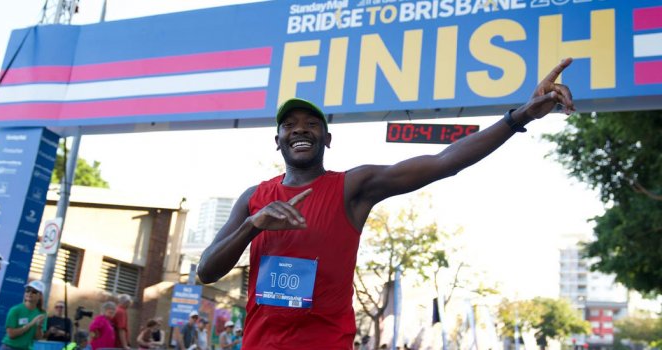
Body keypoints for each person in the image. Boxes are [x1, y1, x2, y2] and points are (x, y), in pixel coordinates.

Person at [197, 59, 576, 349]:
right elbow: (206, 272)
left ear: (327, 139)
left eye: (312, 124)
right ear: (277, 140)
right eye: (289, 124)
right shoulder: (253, 198)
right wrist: (253, 225)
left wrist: (521, 116)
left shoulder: (352, 187)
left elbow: (444, 162)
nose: (300, 129)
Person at [0, 280, 47, 350]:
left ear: (40, 296)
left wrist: (39, 326)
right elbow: (11, 334)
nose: (30, 293)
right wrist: (31, 324)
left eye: (34, 291)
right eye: (27, 290)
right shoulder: (15, 310)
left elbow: (38, 338)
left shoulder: (42, 313)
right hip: (10, 347)